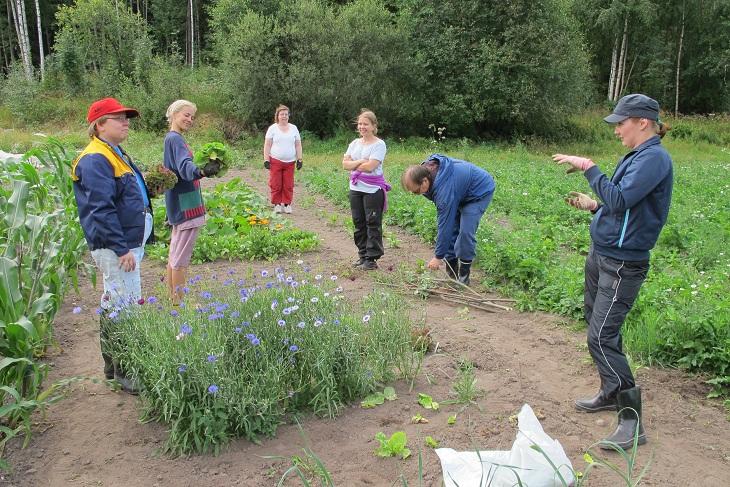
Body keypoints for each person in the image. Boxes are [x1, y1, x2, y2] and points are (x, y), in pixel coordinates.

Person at [552, 93, 673, 450]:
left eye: (621, 122)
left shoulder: (654, 159)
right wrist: (595, 208)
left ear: (642, 122)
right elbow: (620, 206)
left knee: (601, 336)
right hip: (603, 253)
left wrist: (589, 166)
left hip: (623, 263)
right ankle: (609, 390)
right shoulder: (636, 155)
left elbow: (620, 199)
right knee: (595, 323)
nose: (617, 129)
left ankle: (632, 423)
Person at [71, 97, 154, 393]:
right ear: (99, 125)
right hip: (117, 246)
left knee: (114, 300)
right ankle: (127, 372)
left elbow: (123, 195)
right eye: (118, 118)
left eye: (126, 117)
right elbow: (101, 209)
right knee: (126, 305)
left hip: (127, 243)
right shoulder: (95, 158)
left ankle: (112, 366)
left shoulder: (113, 151)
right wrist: (121, 249)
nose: (126, 122)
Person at [401, 155, 495, 285]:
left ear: (424, 181)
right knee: (453, 227)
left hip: (478, 191)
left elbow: (445, 225)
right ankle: (452, 273)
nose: (417, 194)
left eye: (417, 191)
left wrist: (438, 257)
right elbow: (448, 222)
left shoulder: (444, 190)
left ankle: (463, 277)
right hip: (458, 192)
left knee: (465, 233)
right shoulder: (428, 174)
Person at [163, 100, 221, 305]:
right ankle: (178, 305)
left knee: (174, 255)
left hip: (178, 204)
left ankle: (173, 299)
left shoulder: (171, 138)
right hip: (188, 207)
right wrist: (201, 171)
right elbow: (185, 165)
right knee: (180, 259)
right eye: (186, 115)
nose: (190, 119)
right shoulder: (176, 139)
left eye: (192, 117)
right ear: (174, 114)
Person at [343, 109, 391, 270]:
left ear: (373, 126)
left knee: (372, 222)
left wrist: (354, 163)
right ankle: (362, 255)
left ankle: (371, 259)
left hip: (373, 189)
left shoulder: (379, 144)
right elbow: (344, 164)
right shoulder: (354, 143)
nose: (362, 127)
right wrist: (360, 162)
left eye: (366, 124)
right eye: (360, 124)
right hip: (355, 188)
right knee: (358, 222)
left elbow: (371, 167)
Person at [263, 104, 303, 214]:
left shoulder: (294, 128)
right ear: (278, 116)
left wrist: (299, 159)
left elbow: (298, 145)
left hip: (290, 162)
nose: (284, 116)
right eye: (282, 114)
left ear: (288, 116)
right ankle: (276, 204)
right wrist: (266, 159)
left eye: (286, 114)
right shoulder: (272, 128)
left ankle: (286, 204)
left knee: (288, 184)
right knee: (276, 183)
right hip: (275, 160)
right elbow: (267, 145)